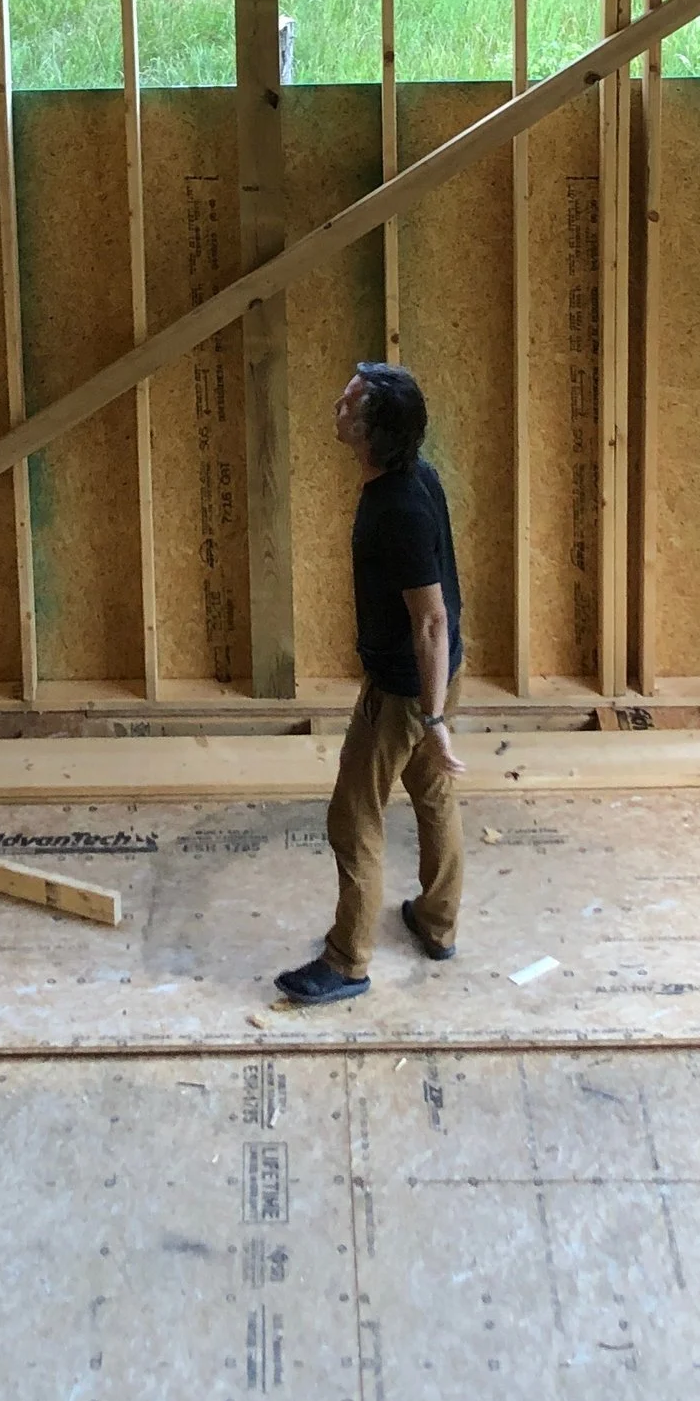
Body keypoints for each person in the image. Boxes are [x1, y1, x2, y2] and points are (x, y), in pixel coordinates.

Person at [276, 361, 464, 1005]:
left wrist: (430, 719)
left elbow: (431, 619)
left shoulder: (397, 511)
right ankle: (437, 923)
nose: (338, 402)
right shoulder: (416, 479)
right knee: (433, 795)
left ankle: (347, 961)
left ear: (371, 430)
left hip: (407, 691)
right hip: (431, 680)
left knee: (353, 817)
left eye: (350, 401)